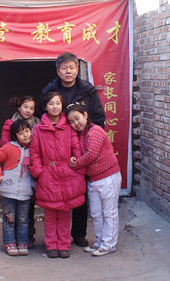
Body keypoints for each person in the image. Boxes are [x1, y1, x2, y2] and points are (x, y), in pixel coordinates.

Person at [37, 52, 106, 247]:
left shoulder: (88, 90)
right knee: (57, 194)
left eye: (72, 67)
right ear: (58, 71)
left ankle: (79, 233)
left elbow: (99, 118)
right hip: (57, 149)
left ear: (77, 69)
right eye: (64, 68)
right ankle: (57, 238)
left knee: (79, 190)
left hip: (82, 148)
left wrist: (89, 139)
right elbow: (42, 119)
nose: (68, 71)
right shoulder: (49, 91)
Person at [29, 91, 86, 259]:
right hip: (47, 173)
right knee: (50, 214)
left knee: (64, 213)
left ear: (62, 106)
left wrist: (78, 168)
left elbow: (76, 148)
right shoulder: (38, 129)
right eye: (51, 103)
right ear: (45, 107)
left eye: (58, 103)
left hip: (67, 173)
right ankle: (51, 245)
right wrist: (39, 172)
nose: (55, 107)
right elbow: (35, 153)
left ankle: (63, 245)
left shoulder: (68, 127)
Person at [67, 104, 121, 256]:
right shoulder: (82, 134)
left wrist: (75, 163)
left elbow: (91, 155)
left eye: (77, 118)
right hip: (93, 179)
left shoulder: (95, 131)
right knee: (96, 214)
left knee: (109, 213)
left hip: (108, 177)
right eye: (71, 122)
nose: (75, 123)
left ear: (85, 115)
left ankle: (109, 244)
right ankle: (99, 242)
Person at [0, 96, 40, 248]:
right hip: (14, 169)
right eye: (25, 107)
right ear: (19, 107)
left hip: (30, 168)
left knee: (27, 207)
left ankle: (27, 238)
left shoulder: (38, 124)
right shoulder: (10, 124)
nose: (28, 110)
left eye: (32, 108)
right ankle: (12, 239)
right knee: (12, 207)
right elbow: (3, 146)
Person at [0, 119, 35, 256]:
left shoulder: (34, 148)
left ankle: (22, 243)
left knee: (23, 219)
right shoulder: (9, 147)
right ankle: (9, 243)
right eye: (21, 133)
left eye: (27, 131)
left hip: (26, 191)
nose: (26, 135)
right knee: (9, 218)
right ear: (15, 136)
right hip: (8, 191)